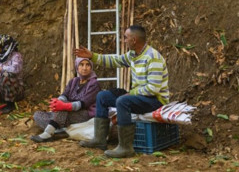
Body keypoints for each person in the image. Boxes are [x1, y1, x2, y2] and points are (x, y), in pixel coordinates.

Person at [75, 24, 169, 158]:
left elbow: (153, 89)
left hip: (155, 100)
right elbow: (115, 61)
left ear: (134, 40)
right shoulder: (133, 55)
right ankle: (100, 139)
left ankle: (126, 147)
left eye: (126, 38)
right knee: (102, 96)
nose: (124, 40)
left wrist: (131, 93)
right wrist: (92, 56)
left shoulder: (153, 57)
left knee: (122, 101)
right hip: (140, 95)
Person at [30, 56, 101, 143]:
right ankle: (59, 130)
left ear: (91, 67)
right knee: (38, 115)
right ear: (77, 67)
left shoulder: (94, 84)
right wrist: (58, 102)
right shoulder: (73, 81)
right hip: (67, 113)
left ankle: (48, 132)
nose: (84, 68)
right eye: (81, 65)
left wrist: (65, 105)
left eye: (87, 65)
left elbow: (84, 103)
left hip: (84, 114)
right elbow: (64, 95)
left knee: (62, 108)